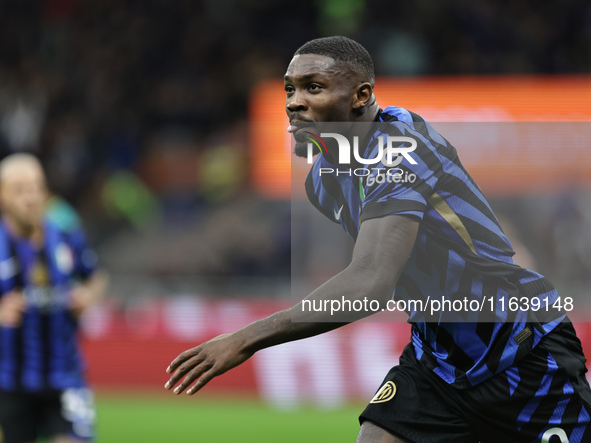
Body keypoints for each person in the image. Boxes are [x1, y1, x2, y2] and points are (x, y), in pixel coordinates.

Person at [165, 36, 591, 442]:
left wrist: (244, 339)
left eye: (314, 87)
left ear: (361, 96)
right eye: (290, 89)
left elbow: (370, 282)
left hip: (522, 354)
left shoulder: (400, 153)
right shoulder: (324, 181)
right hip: (437, 364)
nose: (295, 102)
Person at [0, 154, 108, 443]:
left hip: (65, 378)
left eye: (36, 187)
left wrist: (88, 295)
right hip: (8, 384)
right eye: (20, 189)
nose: (31, 197)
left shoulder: (65, 236)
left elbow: (96, 277)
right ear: (2, 194)